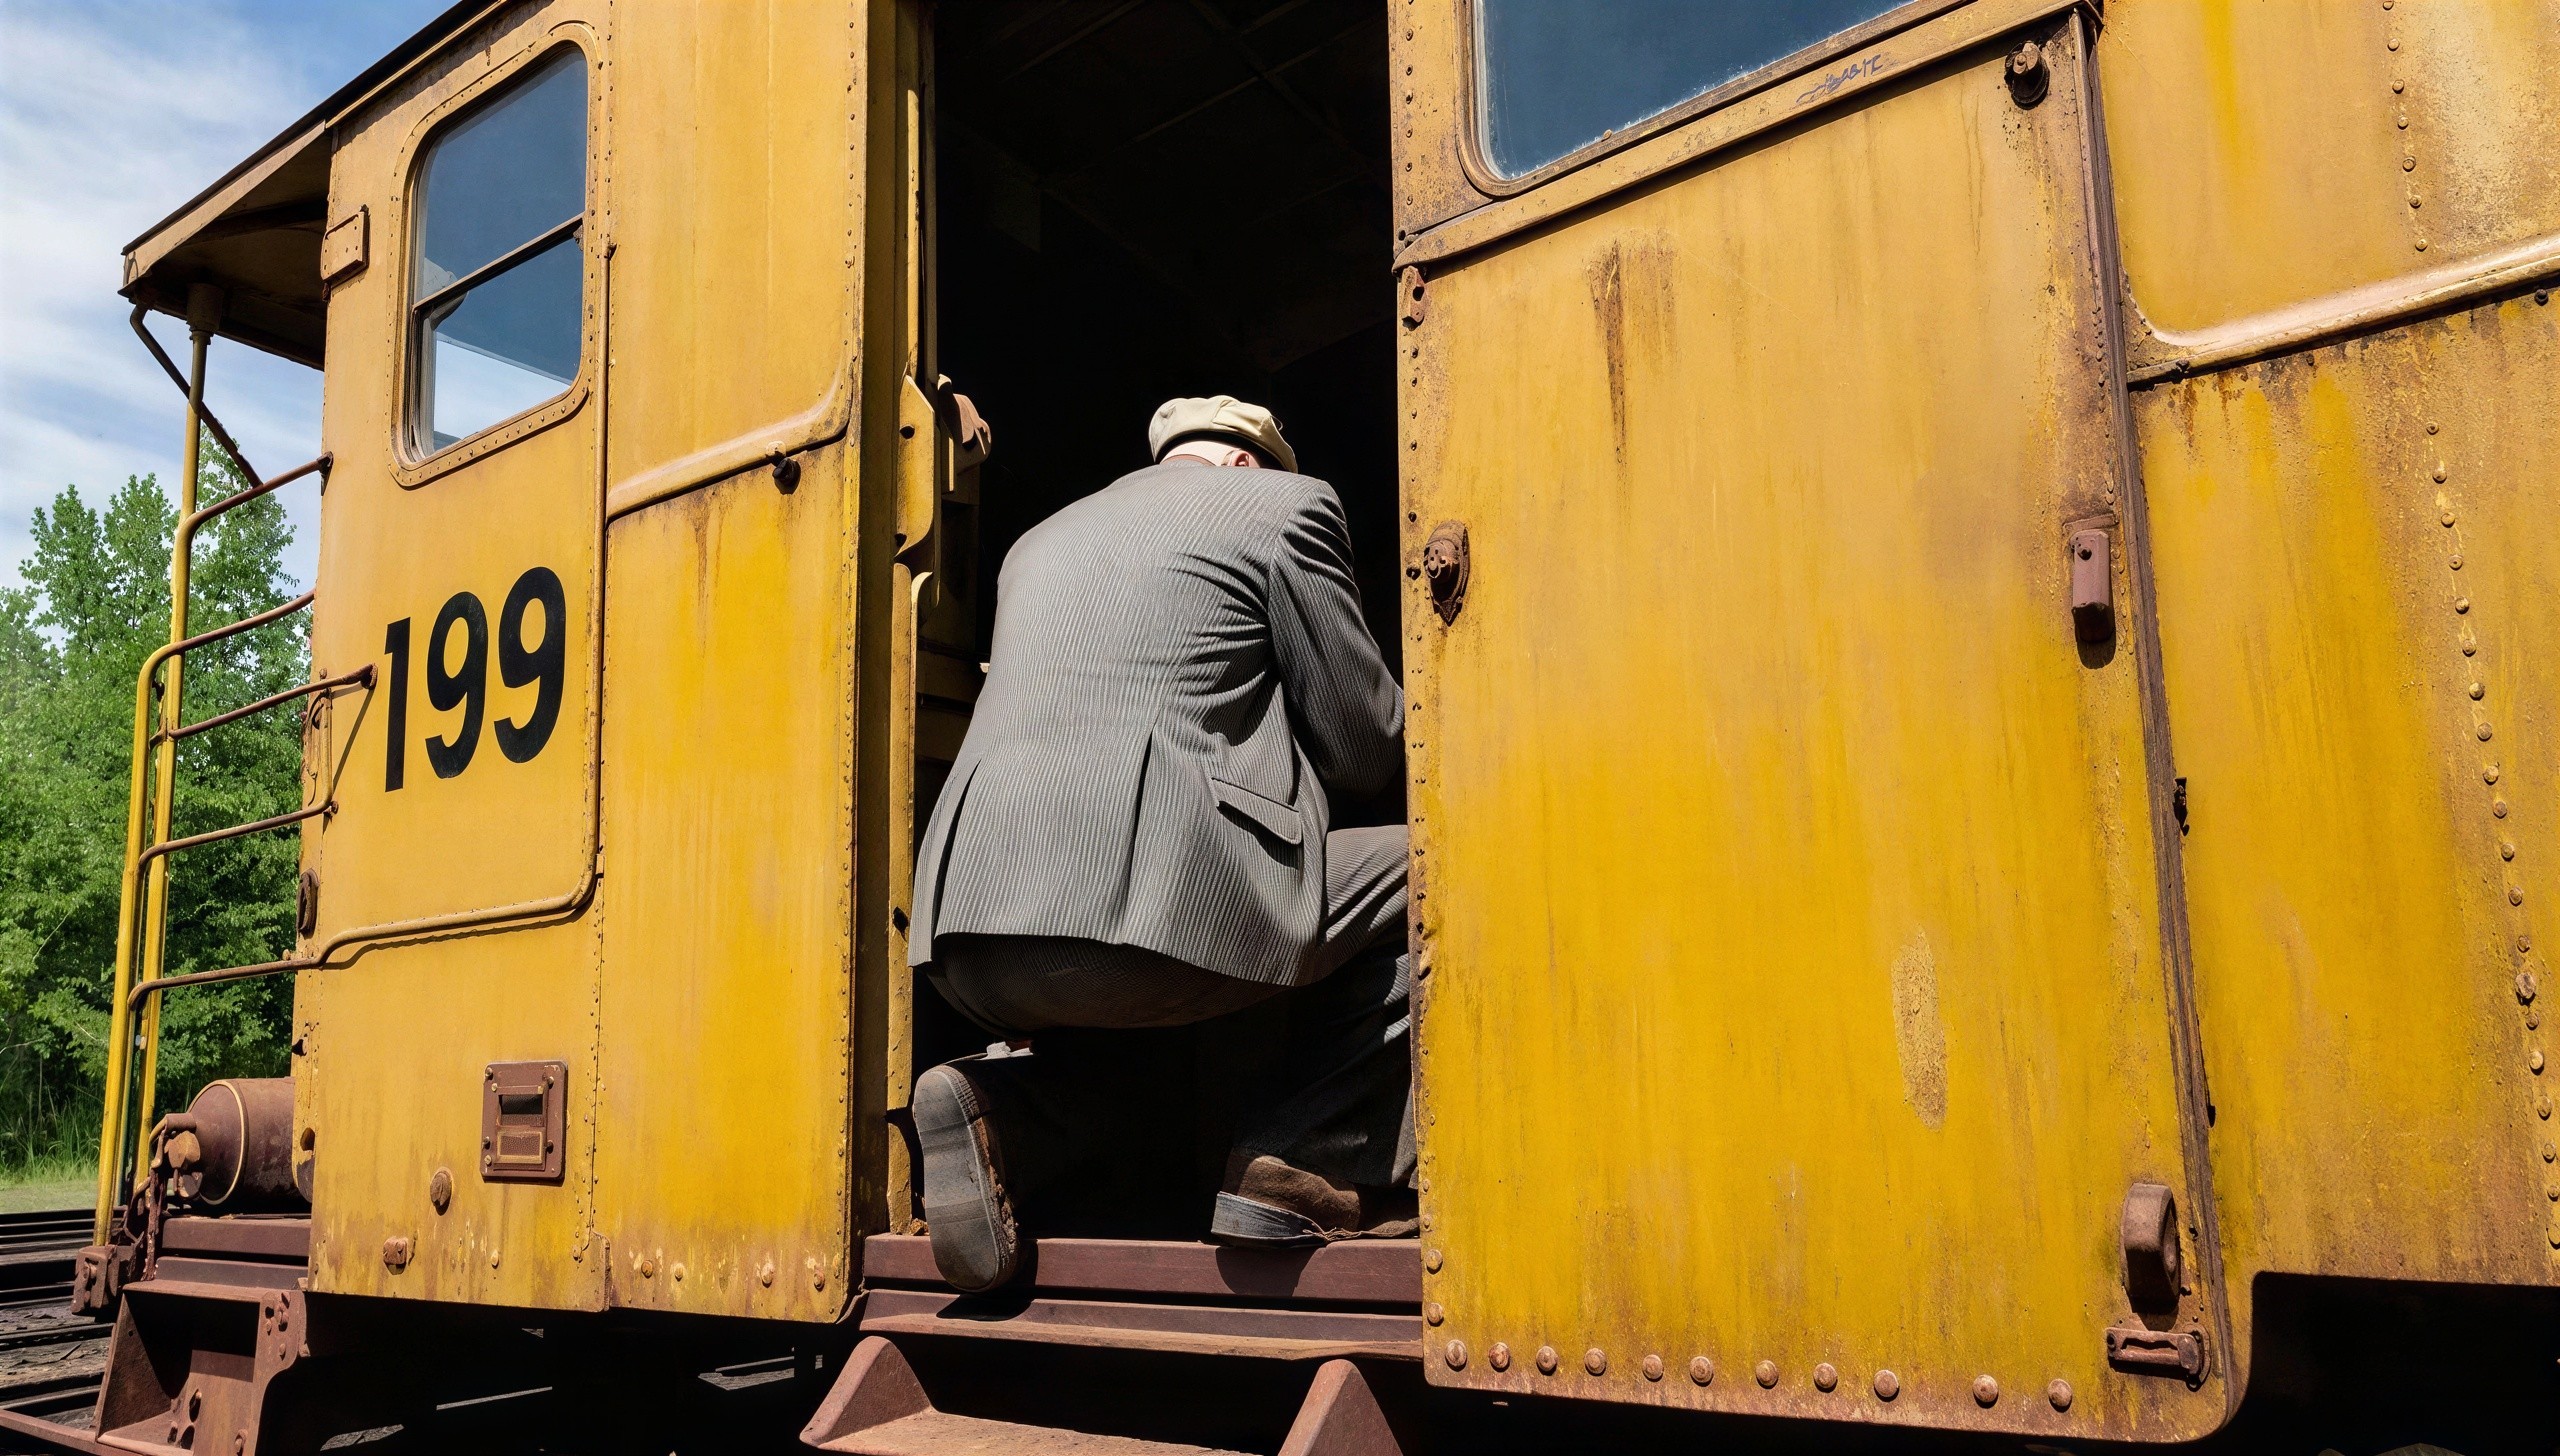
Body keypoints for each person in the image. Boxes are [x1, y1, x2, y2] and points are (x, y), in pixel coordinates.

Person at [906, 395, 1413, 1291]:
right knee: (1438, 869)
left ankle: (1004, 1113)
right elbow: (1364, 747)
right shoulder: (1288, 508)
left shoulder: (1040, 540)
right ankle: (1300, 1163)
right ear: (1251, 466)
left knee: (1148, 1006)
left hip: (969, 938)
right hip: (1151, 914)